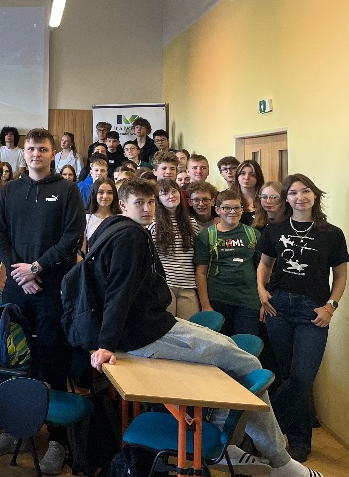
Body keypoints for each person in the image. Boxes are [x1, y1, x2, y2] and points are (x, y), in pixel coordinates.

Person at [90, 178, 323, 477]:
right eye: (139, 203)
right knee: (248, 364)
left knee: (236, 358)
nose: (147, 209)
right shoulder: (130, 236)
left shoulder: (114, 229)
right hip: (145, 334)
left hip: (150, 325)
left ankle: (232, 444)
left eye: (150, 202)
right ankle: (279, 462)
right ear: (122, 205)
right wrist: (106, 343)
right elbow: (117, 293)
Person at [0, 129, 84, 470]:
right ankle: (13, 428)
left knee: (53, 359)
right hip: (17, 288)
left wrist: (37, 267)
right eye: (30, 148)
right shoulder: (10, 190)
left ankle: (57, 440)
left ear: (53, 153)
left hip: (51, 289)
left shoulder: (67, 190)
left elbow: (72, 237)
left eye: (42, 149)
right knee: (14, 359)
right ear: (24, 152)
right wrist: (20, 272)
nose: (35, 154)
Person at [257, 174, 348, 463]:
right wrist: (261, 291)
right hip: (278, 308)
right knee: (287, 376)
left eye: (305, 191)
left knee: (301, 377)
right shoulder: (274, 229)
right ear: (286, 198)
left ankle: (261, 430)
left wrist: (331, 307)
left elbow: (341, 275)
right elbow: (264, 264)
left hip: (313, 311)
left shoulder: (332, 233)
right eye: (293, 193)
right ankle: (298, 442)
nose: (300, 197)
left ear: (315, 194)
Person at [194, 190, 261, 335]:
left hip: (248, 301)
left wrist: (263, 300)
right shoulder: (207, 236)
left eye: (237, 208)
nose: (232, 212)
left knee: (246, 344)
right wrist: (205, 305)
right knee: (220, 345)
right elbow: (201, 272)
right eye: (227, 208)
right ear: (218, 210)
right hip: (218, 300)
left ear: (242, 210)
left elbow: (262, 269)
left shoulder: (253, 234)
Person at [151, 178, 200, 319]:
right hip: (165, 285)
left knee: (191, 326)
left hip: (188, 285)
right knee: (167, 326)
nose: (171, 196)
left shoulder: (191, 222)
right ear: (158, 199)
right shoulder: (153, 223)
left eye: (174, 191)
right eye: (165, 193)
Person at [84, 177, 118, 243]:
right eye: (101, 192)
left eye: (109, 192)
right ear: (94, 194)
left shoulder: (120, 217)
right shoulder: (86, 218)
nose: (105, 196)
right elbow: (83, 247)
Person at [237, 159, 265, 224]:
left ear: (258, 177)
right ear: (237, 176)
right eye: (243, 173)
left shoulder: (265, 199)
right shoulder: (229, 198)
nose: (247, 178)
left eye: (252, 175)